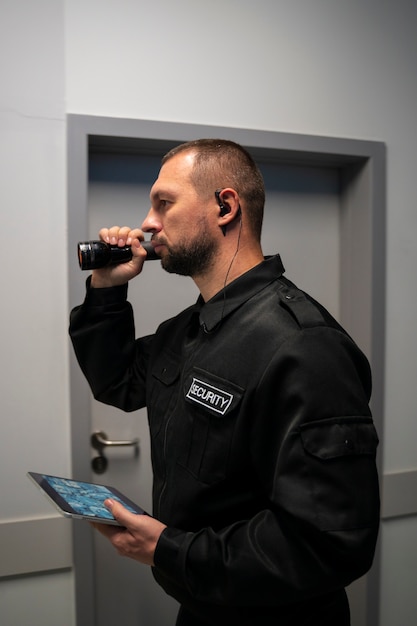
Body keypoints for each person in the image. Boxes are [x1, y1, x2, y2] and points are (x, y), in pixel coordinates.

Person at [69, 139, 380, 626]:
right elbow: (117, 381)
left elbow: (328, 545)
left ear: (225, 206)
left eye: (164, 203)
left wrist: (167, 549)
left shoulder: (306, 346)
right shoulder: (188, 330)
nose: (147, 223)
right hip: (202, 607)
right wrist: (107, 288)